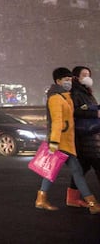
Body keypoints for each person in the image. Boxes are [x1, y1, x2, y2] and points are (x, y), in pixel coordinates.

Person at [35, 67, 99, 214]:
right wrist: (54, 143)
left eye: (70, 79)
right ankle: (92, 204)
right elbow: (57, 121)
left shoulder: (65, 96)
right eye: (66, 80)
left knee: (61, 171)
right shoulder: (55, 98)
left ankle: (41, 199)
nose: (69, 82)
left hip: (67, 142)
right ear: (58, 81)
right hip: (60, 143)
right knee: (62, 171)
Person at [67, 66, 100, 208]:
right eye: (84, 75)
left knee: (82, 168)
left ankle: (72, 198)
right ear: (76, 77)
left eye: (89, 74)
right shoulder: (74, 92)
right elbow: (73, 111)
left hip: (92, 137)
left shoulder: (86, 92)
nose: (88, 77)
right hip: (85, 138)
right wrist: (95, 114)